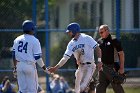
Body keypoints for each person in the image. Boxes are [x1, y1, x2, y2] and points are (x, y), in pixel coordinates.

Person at [48, 22, 102, 93]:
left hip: (90, 66)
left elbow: (97, 48)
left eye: (69, 32)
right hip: (80, 67)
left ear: (74, 31)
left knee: (82, 87)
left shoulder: (86, 38)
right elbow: (65, 58)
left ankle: (90, 85)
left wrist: (99, 61)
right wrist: (56, 67)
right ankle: (91, 86)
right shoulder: (71, 44)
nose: (68, 33)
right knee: (78, 90)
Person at [12, 20, 50, 93]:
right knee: (32, 91)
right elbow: (38, 58)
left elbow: (13, 55)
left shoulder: (17, 39)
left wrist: (15, 67)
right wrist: (45, 69)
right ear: (32, 29)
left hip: (19, 66)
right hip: (29, 66)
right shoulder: (34, 40)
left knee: (22, 90)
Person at [96, 24, 125, 93]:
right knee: (100, 86)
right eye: (99, 32)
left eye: (102, 32)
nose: (100, 34)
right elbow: (99, 54)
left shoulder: (114, 40)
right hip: (102, 68)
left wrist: (121, 68)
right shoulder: (99, 41)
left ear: (107, 31)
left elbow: (121, 54)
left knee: (116, 84)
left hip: (112, 67)